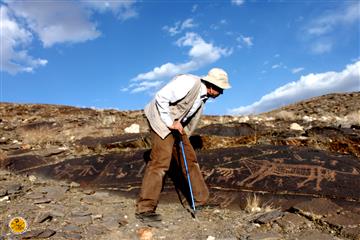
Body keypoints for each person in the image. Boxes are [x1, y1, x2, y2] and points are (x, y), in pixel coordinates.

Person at [135, 68, 231, 222]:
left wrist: (181, 132)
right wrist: (170, 122)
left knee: (190, 159)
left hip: (176, 125)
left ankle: (201, 201)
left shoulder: (203, 97)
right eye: (221, 89)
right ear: (213, 86)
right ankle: (145, 209)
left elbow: (186, 117)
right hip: (160, 119)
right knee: (160, 162)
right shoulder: (187, 82)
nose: (222, 93)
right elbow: (161, 97)